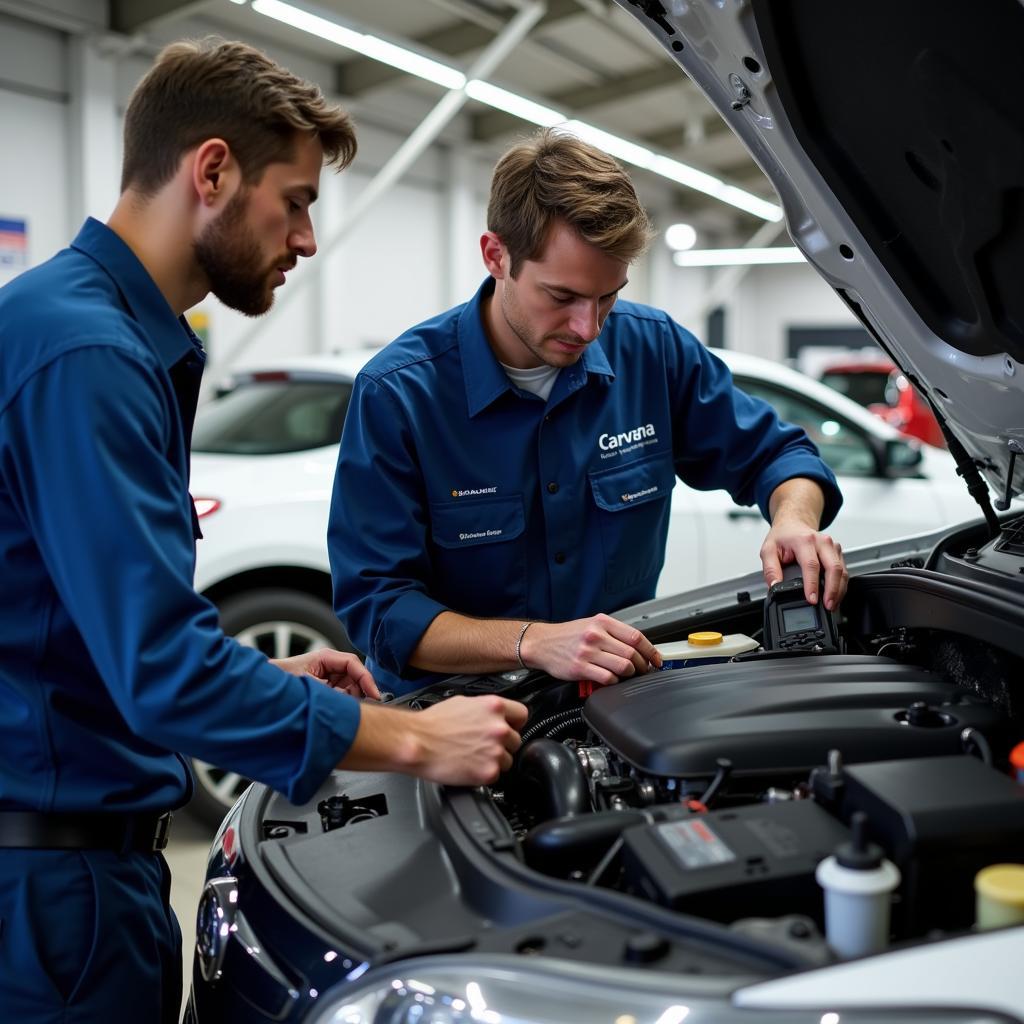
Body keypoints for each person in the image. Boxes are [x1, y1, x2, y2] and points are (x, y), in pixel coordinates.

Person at [0, 38, 526, 1024]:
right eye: (296, 201)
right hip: (47, 902)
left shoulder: (73, 325)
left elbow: (65, 639)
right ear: (211, 171)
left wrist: (272, 686)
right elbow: (162, 666)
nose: (306, 240)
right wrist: (416, 739)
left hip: (63, 866)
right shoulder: (88, 356)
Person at [329, 128, 848, 698]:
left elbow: (781, 455)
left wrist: (793, 519)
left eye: (608, 296)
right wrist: (532, 641)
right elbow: (381, 610)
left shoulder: (654, 351)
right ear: (496, 256)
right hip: (455, 716)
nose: (589, 326)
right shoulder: (400, 393)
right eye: (562, 296)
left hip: (615, 704)